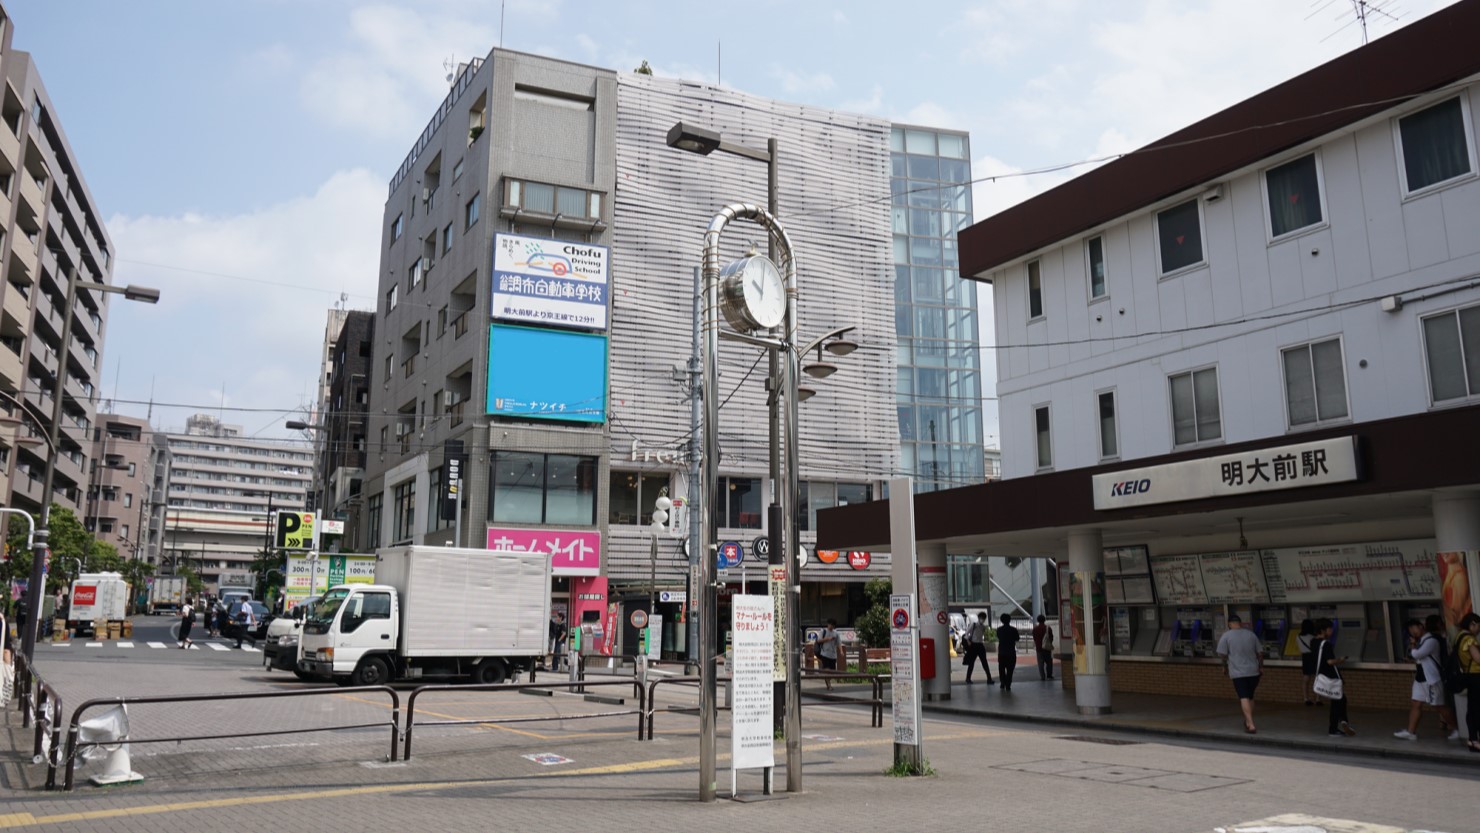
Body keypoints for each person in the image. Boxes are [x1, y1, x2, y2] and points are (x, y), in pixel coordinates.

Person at [1395, 615, 1458, 740]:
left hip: (1431, 679)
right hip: (1420, 677)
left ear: (1421, 626)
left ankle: (1456, 728)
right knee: (1415, 703)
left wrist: (1413, 646)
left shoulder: (1431, 640)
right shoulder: (1421, 641)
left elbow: (1419, 654)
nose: (1413, 632)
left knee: (1438, 706)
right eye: (1410, 631)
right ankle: (1411, 732)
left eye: (1414, 629)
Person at [1215, 613, 1263, 734]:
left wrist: (1224, 666)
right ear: (1240, 623)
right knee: (1250, 696)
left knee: (1243, 697)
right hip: (1253, 671)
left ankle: (1251, 724)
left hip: (1238, 672)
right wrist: (1260, 667)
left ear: (1229, 624)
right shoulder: (1251, 634)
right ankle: (1247, 720)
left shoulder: (1226, 636)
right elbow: (1260, 653)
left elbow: (1222, 654)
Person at [1311, 618, 1355, 737]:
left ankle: (1342, 721)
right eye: (1330, 630)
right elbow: (1330, 662)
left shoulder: (1313, 642)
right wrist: (1340, 660)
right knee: (1338, 700)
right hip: (1330, 676)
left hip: (1322, 674)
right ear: (1323, 630)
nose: (1331, 632)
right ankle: (1335, 727)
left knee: (1340, 699)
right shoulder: (1326, 644)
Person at [1455, 612, 1480, 753]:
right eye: (1478, 627)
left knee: (1472, 708)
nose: (1478, 630)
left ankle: (1472, 740)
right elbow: (1478, 659)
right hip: (1476, 676)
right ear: (1472, 624)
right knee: (1476, 709)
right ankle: (1474, 740)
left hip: (1468, 675)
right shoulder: (1469, 639)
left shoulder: (1459, 636)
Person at [962, 612, 992, 685]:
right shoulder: (974, 624)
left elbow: (982, 635)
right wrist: (968, 641)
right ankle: (968, 678)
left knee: (984, 662)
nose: (982, 620)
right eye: (981, 618)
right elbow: (966, 634)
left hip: (980, 645)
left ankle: (989, 679)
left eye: (983, 618)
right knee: (971, 663)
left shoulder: (983, 627)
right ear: (979, 618)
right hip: (974, 645)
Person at [996, 613, 1020, 691]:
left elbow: (998, 637)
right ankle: (1008, 684)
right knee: (1010, 670)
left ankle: (1003, 682)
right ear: (1010, 620)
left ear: (1001, 620)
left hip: (1002, 652)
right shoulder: (1013, 629)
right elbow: (1017, 638)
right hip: (1011, 652)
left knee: (1001, 669)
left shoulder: (999, 630)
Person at [1297, 618, 1318, 706]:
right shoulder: (1313, 637)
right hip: (1313, 656)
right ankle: (1318, 699)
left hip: (1305, 657)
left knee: (1306, 679)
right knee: (1317, 678)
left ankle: (1306, 698)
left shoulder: (1298, 636)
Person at [816, 619, 840, 690]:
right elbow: (819, 640)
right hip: (824, 653)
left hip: (833, 655)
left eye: (832, 625)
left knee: (832, 671)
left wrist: (841, 651)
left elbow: (839, 643)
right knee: (827, 670)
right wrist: (828, 639)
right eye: (830, 624)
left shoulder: (836, 633)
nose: (831, 626)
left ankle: (828, 681)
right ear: (828, 624)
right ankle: (829, 685)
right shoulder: (823, 631)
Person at [1032, 614, 1055, 680]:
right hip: (1047, 648)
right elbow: (1051, 638)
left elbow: (1034, 638)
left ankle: (1042, 676)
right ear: (1044, 620)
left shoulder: (1035, 629)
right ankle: (1049, 675)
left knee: (1040, 663)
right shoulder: (1048, 628)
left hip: (1039, 648)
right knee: (1049, 662)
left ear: (1038, 620)